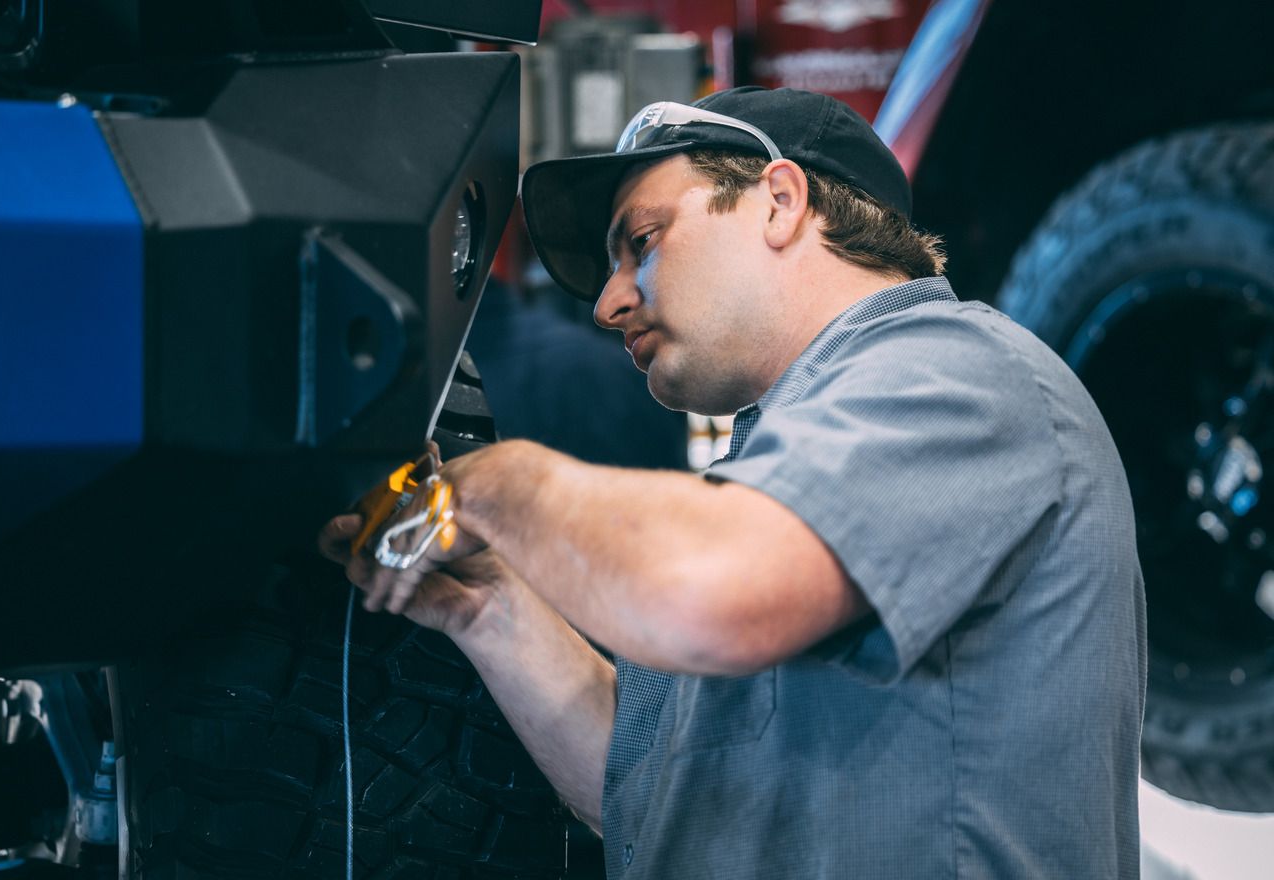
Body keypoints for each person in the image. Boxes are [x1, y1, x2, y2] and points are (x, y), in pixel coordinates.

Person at [319, 87, 1146, 879]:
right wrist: (488, 604)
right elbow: (645, 790)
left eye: (641, 241)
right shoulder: (771, 470)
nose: (609, 303)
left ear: (780, 202)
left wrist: (496, 484)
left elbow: (710, 593)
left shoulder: (955, 373)